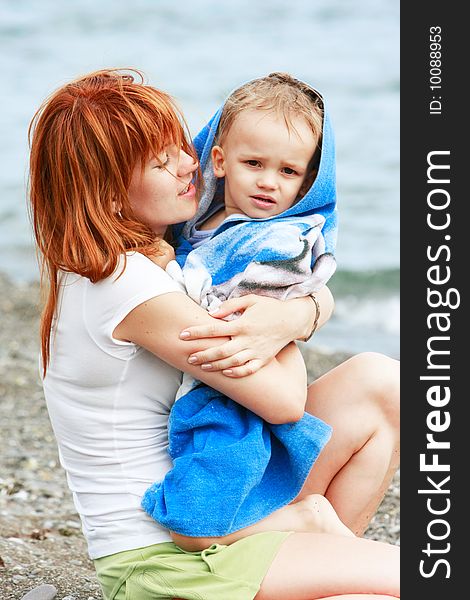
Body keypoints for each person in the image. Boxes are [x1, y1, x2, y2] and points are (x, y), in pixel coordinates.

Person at [28, 68, 400, 600]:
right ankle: (317, 555)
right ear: (108, 195)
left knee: (382, 383)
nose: (189, 164)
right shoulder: (125, 282)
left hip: (222, 509)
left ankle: (318, 560)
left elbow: (288, 310)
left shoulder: (140, 259)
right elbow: (283, 400)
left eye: (179, 146)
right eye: (161, 163)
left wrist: (300, 312)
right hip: (164, 557)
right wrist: (288, 320)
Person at [142, 72, 352, 548]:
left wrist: (167, 268)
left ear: (307, 183)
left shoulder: (279, 241)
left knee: (193, 527)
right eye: (253, 162)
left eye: (288, 172)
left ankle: (313, 530)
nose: (267, 182)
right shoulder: (201, 219)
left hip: (239, 393)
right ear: (218, 160)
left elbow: (212, 305)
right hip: (218, 384)